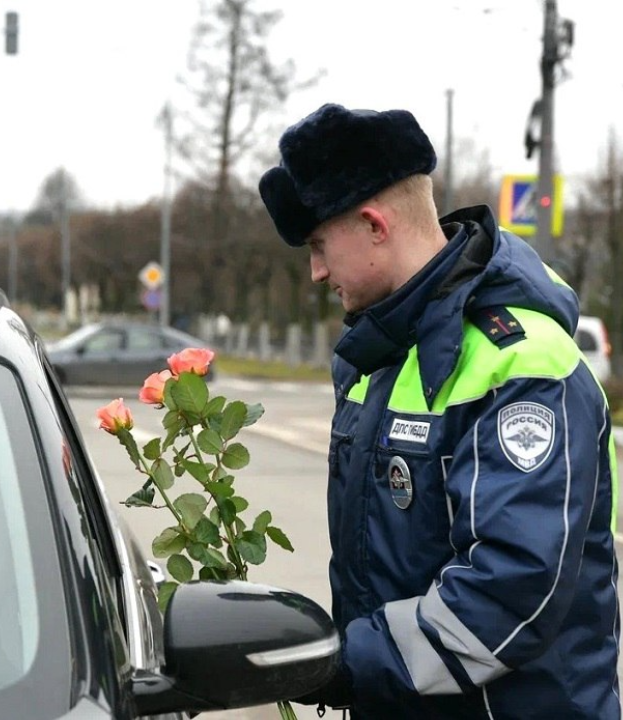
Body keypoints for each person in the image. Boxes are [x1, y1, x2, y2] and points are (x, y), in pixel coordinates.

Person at [258, 103, 619, 719]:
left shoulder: (524, 362)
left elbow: (511, 587)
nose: (316, 272)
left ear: (375, 225)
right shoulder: (377, 356)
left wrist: (344, 665)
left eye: (319, 245)